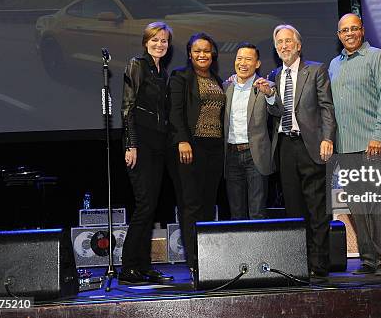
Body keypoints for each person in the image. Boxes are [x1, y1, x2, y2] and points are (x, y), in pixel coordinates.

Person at [328, 13, 381, 276]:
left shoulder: (377, 57)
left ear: (362, 31)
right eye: (344, 30)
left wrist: (378, 136)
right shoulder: (334, 64)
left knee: (378, 205)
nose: (349, 34)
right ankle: (367, 259)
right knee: (357, 206)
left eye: (353, 28)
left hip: (372, 144)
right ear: (338, 35)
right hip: (345, 147)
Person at [268, 24, 336, 279]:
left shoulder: (316, 69)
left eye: (288, 41)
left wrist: (327, 138)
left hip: (311, 144)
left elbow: (326, 107)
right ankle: (299, 263)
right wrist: (268, 97)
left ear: (298, 45)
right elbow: (275, 112)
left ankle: (319, 264)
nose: (284, 46)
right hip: (285, 146)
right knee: (293, 208)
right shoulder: (275, 74)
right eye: (279, 43)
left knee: (316, 207)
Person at [119, 21, 174, 285]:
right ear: (146, 41)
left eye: (163, 40)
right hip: (139, 144)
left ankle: (143, 266)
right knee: (143, 206)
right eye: (155, 40)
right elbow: (128, 107)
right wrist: (131, 144)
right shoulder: (137, 65)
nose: (159, 44)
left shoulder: (161, 71)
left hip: (157, 145)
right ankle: (128, 267)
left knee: (150, 207)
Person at [169, 32, 225, 270]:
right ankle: (194, 260)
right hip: (190, 147)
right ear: (190, 54)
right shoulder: (180, 77)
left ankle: (206, 257)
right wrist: (182, 140)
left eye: (206, 50)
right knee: (190, 204)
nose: (202, 54)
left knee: (207, 204)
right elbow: (175, 111)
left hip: (214, 148)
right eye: (197, 51)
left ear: (212, 54)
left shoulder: (217, 79)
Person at [224, 42, 281, 219]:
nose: (243, 63)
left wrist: (270, 94)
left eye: (248, 59)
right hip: (231, 155)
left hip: (255, 155)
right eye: (239, 58)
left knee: (257, 212)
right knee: (236, 213)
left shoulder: (266, 85)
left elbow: (278, 110)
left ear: (257, 64)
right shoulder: (226, 86)